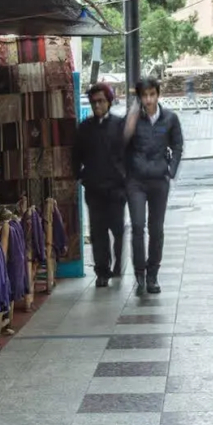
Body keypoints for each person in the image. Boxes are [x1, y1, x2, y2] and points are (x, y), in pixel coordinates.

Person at [123, 77, 184, 296]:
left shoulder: (170, 118)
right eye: (144, 96)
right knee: (138, 226)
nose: (148, 100)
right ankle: (139, 273)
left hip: (159, 180)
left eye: (152, 94)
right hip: (136, 181)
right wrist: (129, 123)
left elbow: (177, 146)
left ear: (158, 94)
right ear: (139, 98)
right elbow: (120, 145)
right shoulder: (133, 119)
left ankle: (152, 275)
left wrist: (170, 171)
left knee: (156, 229)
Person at [74, 83, 127, 287]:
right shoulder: (84, 128)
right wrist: (79, 176)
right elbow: (75, 156)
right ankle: (102, 272)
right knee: (98, 232)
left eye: (101, 101)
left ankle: (117, 264)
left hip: (116, 188)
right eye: (94, 101)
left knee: (117, 229)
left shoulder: (119, 125)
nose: (97, 105)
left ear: (109, 102)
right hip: (94, 188)